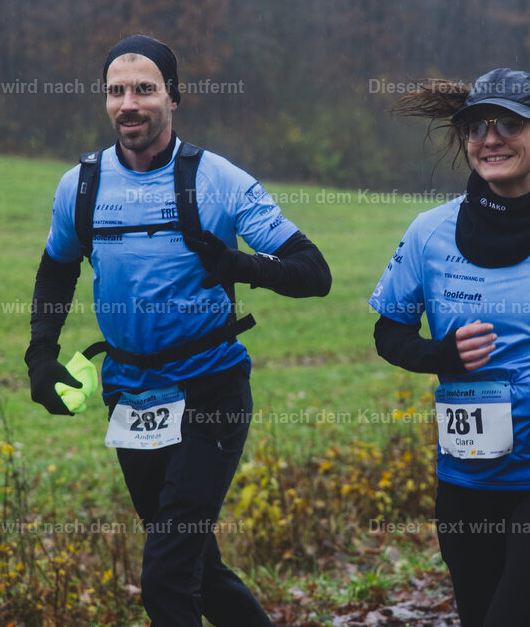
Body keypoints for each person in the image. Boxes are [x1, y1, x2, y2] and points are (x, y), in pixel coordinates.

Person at [25, 34, 330, 626]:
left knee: (165, 575)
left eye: (144, 89)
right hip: (130, 396)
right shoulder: (81, 186)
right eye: (116, 91)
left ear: (173, 97)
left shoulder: (219, 181)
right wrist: (41, 355)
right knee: (199, 570)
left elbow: (312, 272)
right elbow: (56, 270)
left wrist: (237, 264)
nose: (128, 103)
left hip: (209, 393)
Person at [369, 68, 530, 627]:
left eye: (509, 124)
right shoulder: (428, 233)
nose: (490, 139)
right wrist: (439, 355)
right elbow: (389, 333)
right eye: (476, 127)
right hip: (466, 476)